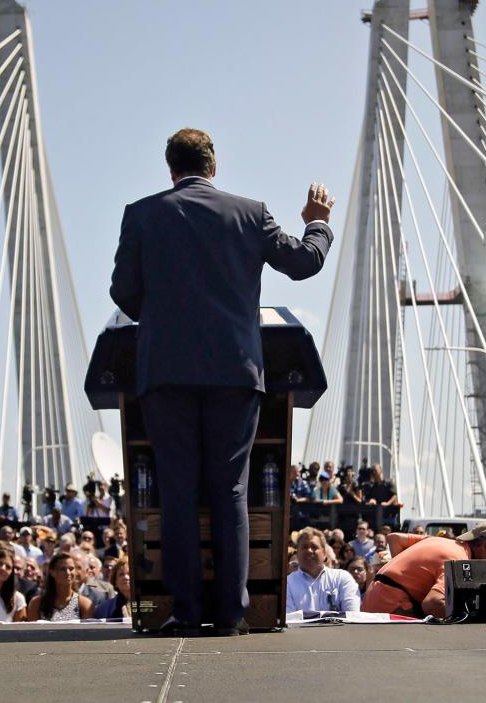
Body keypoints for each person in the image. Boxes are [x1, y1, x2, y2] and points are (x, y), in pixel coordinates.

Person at [109, 128, 334, 637]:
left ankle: (187, 612)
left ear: (170, 168)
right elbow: (303, 262)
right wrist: (318, 223)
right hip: (235, 374)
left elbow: (124, 291)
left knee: (178, 493)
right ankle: (232, 614)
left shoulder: (142, 214)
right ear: (214, 167)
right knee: (230, 490)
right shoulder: (250, 213)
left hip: (165, 374)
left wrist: (168, 322)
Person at [361, 523, 486, 618]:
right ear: (484, 546)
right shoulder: (458, 559)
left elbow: (394, 538)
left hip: (371, 599)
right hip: (392, 607)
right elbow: (432, 604)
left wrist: (402, 574)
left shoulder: (438, 540)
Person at [286, 528, 361, 613]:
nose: (309, 551)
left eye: (314, 547)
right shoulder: (288, 583)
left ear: (324, 554)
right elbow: (290, 620)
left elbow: (352, 615)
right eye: (304, 547)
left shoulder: (342, 578)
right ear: (297, 553)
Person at [28, 552, 93, 621]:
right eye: (63, 569)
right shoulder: (37, 603)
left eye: (71, 569)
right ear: (52, 572)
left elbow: (86, 631)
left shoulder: (84, 604)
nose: (68, 573)